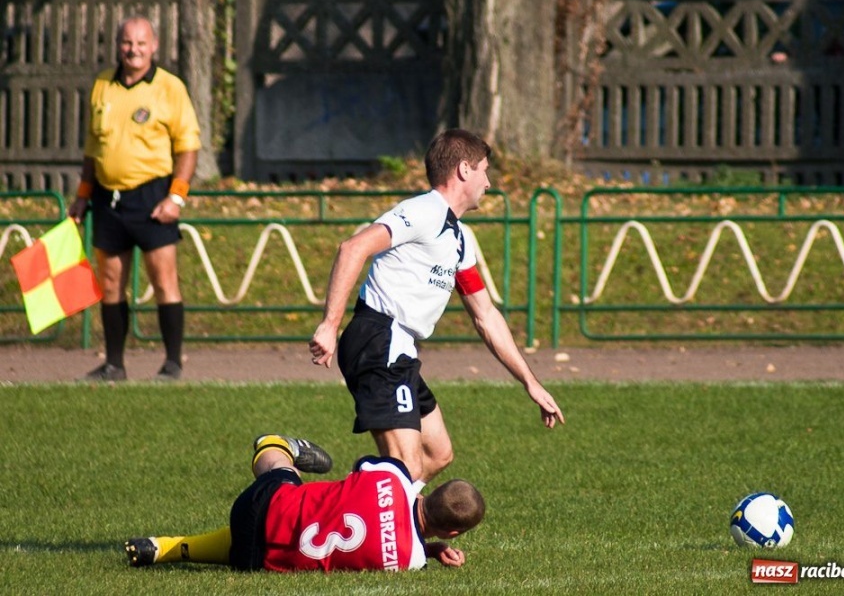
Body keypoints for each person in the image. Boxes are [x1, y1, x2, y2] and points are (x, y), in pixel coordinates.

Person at [308, 129, 565, 487]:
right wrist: (329, 325)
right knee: (405, 468)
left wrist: (530, 383)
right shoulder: (424, 211)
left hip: (400, 348)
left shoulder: (460, 238)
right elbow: (353, 248)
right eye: (485, 170)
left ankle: (370, 505)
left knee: (437, 455)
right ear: (463, 169)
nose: (489, 183)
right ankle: (356, 520)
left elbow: (485, 315)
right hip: (379, 339)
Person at [124, 434, 485, 572]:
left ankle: (277, 446)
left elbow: (362, 465)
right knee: (266, 538)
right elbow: (402, 542)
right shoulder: (412, 560)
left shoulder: (392, 476)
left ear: (429, 492)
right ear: (452, 531)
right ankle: (167, 548)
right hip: (260, 561)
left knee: (283, 473)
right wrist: (434, 549)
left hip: (257, 507)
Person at [68, 15, 201, 381]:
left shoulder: (169, 87)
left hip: (152, 194)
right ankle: (114, 364)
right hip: (107, 198)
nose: (134, 50)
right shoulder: (102, 85)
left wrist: (177, 197)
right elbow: (93, 148)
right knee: (111, 282)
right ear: (118, 45)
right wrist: (82, 195)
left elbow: (188, 147)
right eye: (128, 43)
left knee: (164, 278)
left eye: (141, 43)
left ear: (154, 45)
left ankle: (172, 362)